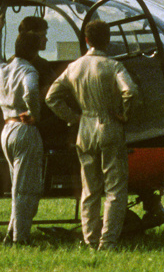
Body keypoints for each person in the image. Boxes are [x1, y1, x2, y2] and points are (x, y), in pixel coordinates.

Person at [46, 19, 137, 250]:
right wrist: (125, 114)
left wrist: (73, 118)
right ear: (107, 40)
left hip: (84, 129)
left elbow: (51, 97)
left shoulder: (74, 67)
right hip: (110, 127)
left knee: (90, 189)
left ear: (86, 40)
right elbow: (130, 91)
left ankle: (90, 240)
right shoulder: (114, 65)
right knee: (115, 188)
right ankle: (108, 241)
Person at [0, 12, 49, 245]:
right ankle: (20, 238)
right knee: (27, 190)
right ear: (34, 52)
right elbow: (31, 91)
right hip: (24, 129)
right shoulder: (29, 71)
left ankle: (11, 234)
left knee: (17, 187)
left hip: (6, 130)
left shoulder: (2, 69)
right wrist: (35, 114)